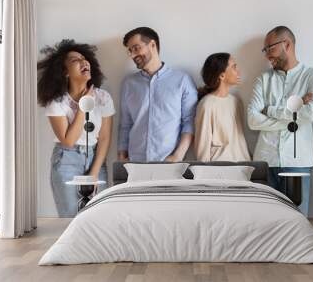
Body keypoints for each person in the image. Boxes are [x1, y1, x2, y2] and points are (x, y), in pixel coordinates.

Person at [247, 26, 313, 216]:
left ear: (286, 44)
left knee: (296, 222)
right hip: (265, 161)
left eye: (269, 48)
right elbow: (252, 120)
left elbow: (309, 114)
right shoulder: (263, 80)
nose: (266, 55)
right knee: (264, 220)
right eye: (264, 50)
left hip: (297, 162)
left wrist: (270, 110)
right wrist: (294, 112)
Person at [37, 39, 115, 217]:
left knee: (99, 216)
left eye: (84, 58)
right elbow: (69, 140)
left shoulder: (103, 98)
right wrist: (83, 104)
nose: (83, 62)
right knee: (70, 217)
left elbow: (104, 138)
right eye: (75, 60)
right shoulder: (56, 102)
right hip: (66, 160)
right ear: (65, 71)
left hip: (96, 158)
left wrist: (94, 173)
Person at [118, 27, 198, 162]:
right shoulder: (129, 83)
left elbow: (189, 122)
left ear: (153, 45)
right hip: (135, 164)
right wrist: (122, 155)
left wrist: (178, 156)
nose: (132, 55)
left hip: (169, 163)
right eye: (130, 51)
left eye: (136, 48)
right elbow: (126, 123)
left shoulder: (182, 80)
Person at [194, 53, 250, 161]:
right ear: (222, 75)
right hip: (218, 171)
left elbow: (239, 141)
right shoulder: (206, 105)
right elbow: (202, 148)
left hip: (243, 169)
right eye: (234, 67)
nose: (238, 71)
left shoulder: (236, 101)